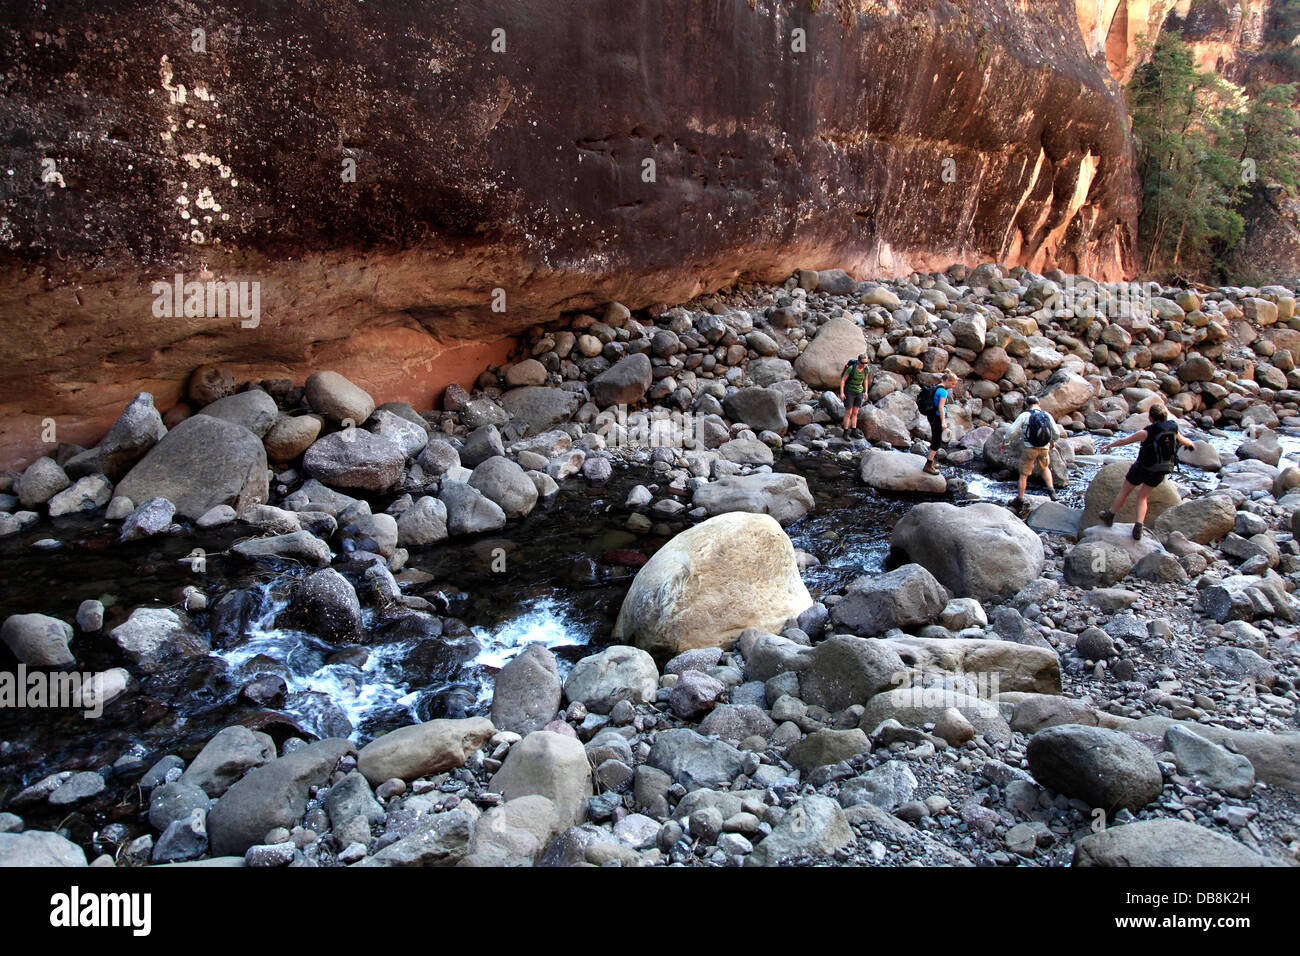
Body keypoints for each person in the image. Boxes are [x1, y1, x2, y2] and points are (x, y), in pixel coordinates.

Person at [1097, 403, 1196, 540]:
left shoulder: (1146, 432)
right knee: (1143, 497)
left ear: (1150, 418)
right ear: (1165, 416)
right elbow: (1184, 440)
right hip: (1160, 470)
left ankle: (1110, 515)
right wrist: (1191, 445)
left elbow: (1124, 440)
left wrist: (1109, 445)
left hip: (1142, 468)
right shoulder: (1173, 428)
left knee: (1125, 492)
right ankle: (1138, 527)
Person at [1006, 395, 1065, 509]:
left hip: (1029, 448)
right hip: (1044, 448)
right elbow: (1056, 432)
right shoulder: (1046, 415)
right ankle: (1052, 492)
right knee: (1045, 468)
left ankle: (1020, 499)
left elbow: (1012, 430)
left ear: (1027, 405)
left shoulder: (1025, 415)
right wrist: (1053, 441)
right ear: (1038, 404)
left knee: (1024, 474)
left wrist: (1005, 441)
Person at [922, 370, 959, 475]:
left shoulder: (936, 387)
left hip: (932, 416)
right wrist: (943, 422)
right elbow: (941, 407)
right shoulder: (943, 391)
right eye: (952, 383)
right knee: (936, 441)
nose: (953, 386)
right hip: (937, 417)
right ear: (947, 380)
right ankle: (928, 465)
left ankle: (932, 461)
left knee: (935, 439)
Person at [839, 354, 870, 439]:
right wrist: (842, 393)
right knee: (848, 412)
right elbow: (843, 381)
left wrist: (866, 392)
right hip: (849, 391)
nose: (864, 365)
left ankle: (854, 430)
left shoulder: (866, 369)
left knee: (855, 412)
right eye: (862, 363)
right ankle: (845, 432)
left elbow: (866, 380)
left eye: (866, 363)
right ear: (858, 361)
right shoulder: (851, 369)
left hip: (859, 391)